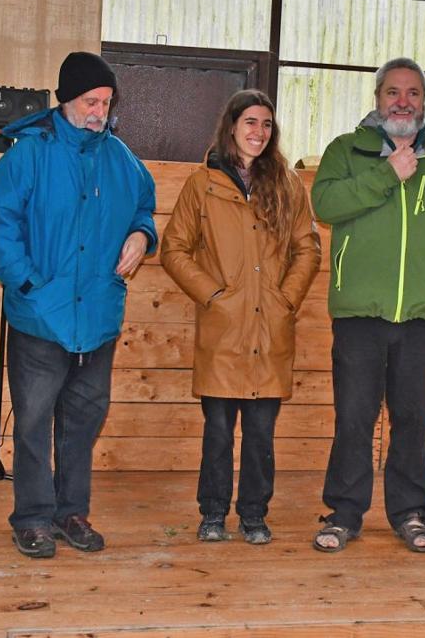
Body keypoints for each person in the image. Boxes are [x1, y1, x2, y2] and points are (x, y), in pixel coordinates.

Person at [0, 51, 157, 558]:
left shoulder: (123, 160)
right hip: (41, 315)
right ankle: (33, 517)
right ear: (64, 100)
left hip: (98, 317)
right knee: (34, 421)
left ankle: (71, 513)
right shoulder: (29, 155)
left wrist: (142, 236)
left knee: (83, 420)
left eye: (106, 102)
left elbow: (144, 208)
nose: (99, 111)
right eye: (90, 101)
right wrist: (28, 284)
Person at [310, 57, 425, 554]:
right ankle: (344, 512)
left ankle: (410, 512)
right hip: (359, 312)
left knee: (412, 417)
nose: (402, 101)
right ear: (378, 99)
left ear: (424, 101)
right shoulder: (346, 151)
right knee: (354, 415)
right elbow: (325, 205)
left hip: (421, 315)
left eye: (412, 93)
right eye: (393, 93)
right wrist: (387, 174)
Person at [162, 89, 321, 546]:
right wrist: (213, 295)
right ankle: (212, 513)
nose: (259, 132)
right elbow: (174, 249)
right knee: (217, 433)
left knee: (260, 435)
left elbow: (307, 248)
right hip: (224, 329)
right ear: (231, 126)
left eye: (267, 125)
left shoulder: (289, 186)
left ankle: (254, 514)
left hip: (270, 328)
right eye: (251, 122)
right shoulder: (202, 185)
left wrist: (285, 299)